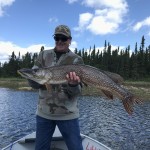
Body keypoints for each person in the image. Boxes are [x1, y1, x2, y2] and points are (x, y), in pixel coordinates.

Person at [28, 25, 84, 150]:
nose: (59, 41)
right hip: (44, 114)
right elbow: (33, 83)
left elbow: (77, 92)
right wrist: (33, 78)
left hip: (68, 114)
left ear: (69, 40)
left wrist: (73, 85)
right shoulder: (43, 55)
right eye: (57, 37)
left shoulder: (76, 59)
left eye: (63, 38)